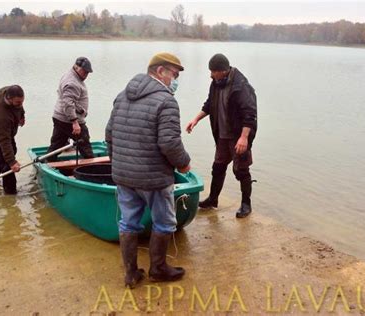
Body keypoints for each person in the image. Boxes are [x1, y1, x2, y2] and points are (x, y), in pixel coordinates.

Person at [105, 52, 191, 288]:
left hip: (124, 176)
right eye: (174, 74)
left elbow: (109, 135)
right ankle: (158, 269)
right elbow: (169, 143)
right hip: (153, 178)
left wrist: (118, 163)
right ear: (160, 71)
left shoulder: (122, 96)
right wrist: (184, 163)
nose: (175, 80)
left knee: (128, 223)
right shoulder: (166, 101)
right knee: (164, 222)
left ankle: (131, 274)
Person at [186, 53, 257, 218]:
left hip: (238, 136)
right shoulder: (216, 83)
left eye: (213, 71)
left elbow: (250, 114)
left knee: (241, 170)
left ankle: (246, 204)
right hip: (222, 136)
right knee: (217, 167)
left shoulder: (241, 86)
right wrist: (195, 119)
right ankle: (213, 199)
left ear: (223, 71)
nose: (210, 75)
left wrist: (244, 138)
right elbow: (209, 104)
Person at [46, 57, 94, 161]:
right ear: (76, 67)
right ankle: (92, 167)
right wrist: (75, 122)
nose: (86, 75)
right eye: (84, 71)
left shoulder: (70, 75)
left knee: (57, 144)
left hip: (60, 117)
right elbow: (68, 103)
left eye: (88, 72)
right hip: (69, 119)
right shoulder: (72, 82)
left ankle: (48, 162)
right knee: (84, 144)